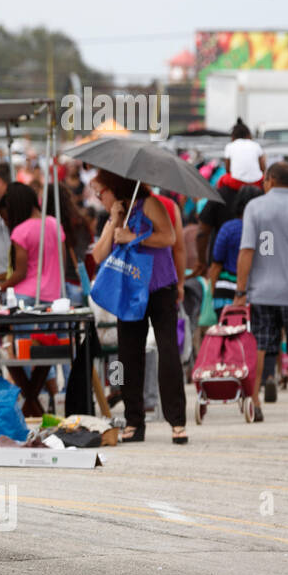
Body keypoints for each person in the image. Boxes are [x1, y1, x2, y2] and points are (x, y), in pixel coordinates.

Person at [88, 169, 186, 443]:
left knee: (167, 349)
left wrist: (133, 238)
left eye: (101, 192)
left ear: (114, 187)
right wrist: (115, 219)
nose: (99, 198)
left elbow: (168, 238)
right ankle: (134, 420)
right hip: (129, 290)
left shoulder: (150, 203)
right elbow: (98, 255)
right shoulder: (117, 214)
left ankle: (177, 421)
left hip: (159, 286)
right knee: (129, 353)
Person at [233, 162, 288, 421]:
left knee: (259, 344)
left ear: (269, 180)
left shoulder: (255, 208)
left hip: (263, 292)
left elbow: (247, 250)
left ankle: (255, 403)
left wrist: (241, 290)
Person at [0, 182, 65, 303]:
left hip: (26, 295)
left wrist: (1, 288)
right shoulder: (55, 224)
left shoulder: (21, 232)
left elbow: (20, 273)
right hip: (54, 295)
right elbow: (62, 262)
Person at [205, 185, 263, 315]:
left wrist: (213, 293)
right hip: (256, 293)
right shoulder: (265, 231)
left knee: (227, 334)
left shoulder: (228, 228)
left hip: (225, 293)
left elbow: (216, 264)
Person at [222, 118, 266, 188]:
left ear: (233, 135)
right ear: (249, 134)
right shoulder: (256, 145)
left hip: (236, 183)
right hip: (256, 183)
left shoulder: (230, 146)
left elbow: (227, 170)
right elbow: (263, 168)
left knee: (222, 180)